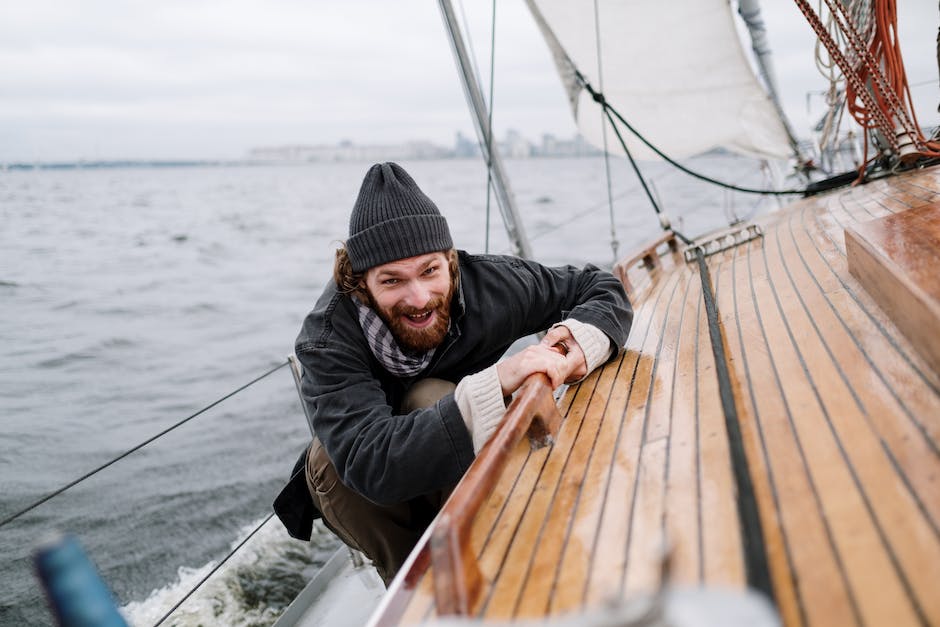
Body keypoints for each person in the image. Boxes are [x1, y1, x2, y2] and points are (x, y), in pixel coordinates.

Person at [274, 162, 632, 585]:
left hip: (454, 441)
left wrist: (574, 345)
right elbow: (368, 460)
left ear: (451, 261)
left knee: (431, 395)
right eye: (392, 281)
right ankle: (418, 589)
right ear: (359, 283)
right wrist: (500, 379)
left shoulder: (490, 285)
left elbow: (598, 286)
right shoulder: (327, 337)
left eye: (430, 271)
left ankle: (502, 551)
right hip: (362, 487)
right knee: (339, 458)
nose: (419, 298)